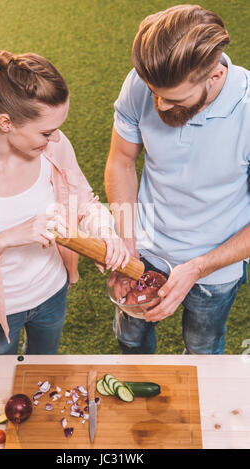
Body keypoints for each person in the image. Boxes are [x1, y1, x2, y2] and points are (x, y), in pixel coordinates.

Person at [0, 49, 130, 355]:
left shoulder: (53, 148)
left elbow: (84, 202)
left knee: (44, 368)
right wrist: (6, 239)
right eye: (46, 132)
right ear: (6, 122)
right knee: (5, 383)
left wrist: (107, 232)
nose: (56, 138)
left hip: (52, 293)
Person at [105, 4, 250, 354]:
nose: (160, 106)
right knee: (130, 339)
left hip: (215, 265)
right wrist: (126, 240)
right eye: (154, 92)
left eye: (174, 99)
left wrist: (198, 268)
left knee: (202, 347)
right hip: (145, 245)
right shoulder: (141, 82)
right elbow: (121, 161)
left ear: (215, 75)